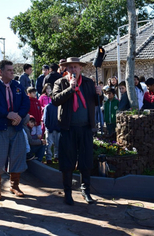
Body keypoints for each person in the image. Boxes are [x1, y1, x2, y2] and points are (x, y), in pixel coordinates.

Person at [53, 57, 102, 205]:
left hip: (85, 128)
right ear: (66, 69)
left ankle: (86, 191)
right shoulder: (60, 82)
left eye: (76, 67)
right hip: (68, 129)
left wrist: (100, 94)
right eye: (70, 67)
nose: (73, 70)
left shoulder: (88, 83)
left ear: (81, 68)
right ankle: (67, 192)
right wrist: (70, 89)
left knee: (86, 160)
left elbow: (97, 101)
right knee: (67, 161)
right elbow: (55, 100)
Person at [0, 60, 30, 200]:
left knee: (17, 156)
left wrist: (19, 116)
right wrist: (7, 114)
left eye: (12, 69)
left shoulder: (17, 85)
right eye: (9, 70)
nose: (12, 72)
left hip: (16, 127)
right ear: (0, 71)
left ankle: (14, 186)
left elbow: (25, 102)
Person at [43, 92, 61, 164]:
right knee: (49, 144)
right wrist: (48, 127)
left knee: (58, 144)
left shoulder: (59, 106)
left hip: (58, 128)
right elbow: (45, 119)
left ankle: (57, 156)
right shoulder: (48, 107)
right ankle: (49, 158)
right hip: (50, 129)